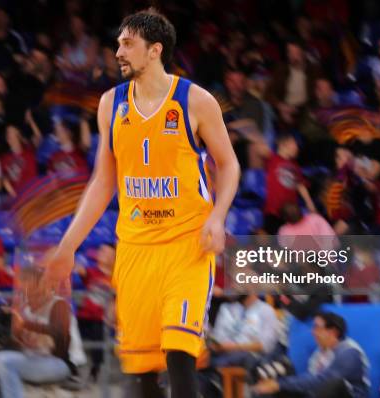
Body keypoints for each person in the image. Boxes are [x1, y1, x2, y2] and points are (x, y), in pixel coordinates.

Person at [43, 8, 240, 398]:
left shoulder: (195, 101)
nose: (118, 51)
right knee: (142, 372)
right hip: (134, 250)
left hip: (187, 245)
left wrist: (218, 217)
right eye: (118, 43)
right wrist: (68, 246)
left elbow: (229, 164)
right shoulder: (109, 105)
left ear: (155, 50)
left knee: (180, 355)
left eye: (127, 43)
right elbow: (103, 181)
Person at [0, 267, 71, 398]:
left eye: (30, 282)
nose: (26, 287)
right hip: (28, 359)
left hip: (56, 363)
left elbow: (59, 333)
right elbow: (15, 343)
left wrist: (25, 323)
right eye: (24, 283)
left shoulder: (58, 304)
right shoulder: (23, 307)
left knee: (4, 360)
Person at [254, 312, 370, 398]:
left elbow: (323, 381)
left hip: (348, 395)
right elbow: (310, 378)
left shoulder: (349, 352)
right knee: (276, 384)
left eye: (317, 328)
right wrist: (278, 384)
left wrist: (280, 384)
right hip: (320, 392)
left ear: (333, 332)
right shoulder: (320, 352)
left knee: (331, 384)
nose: (313, 332)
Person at [75, 243, 116, 382]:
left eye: (108, 253)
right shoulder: (92, 272)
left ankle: (96, 368)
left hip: (102, 320)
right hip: (83, 316)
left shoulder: (117, 278)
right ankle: (71, 367)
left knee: (98, 330)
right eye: (102, 252)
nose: (103, 254)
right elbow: (78, 269)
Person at [263, 133, 316, 234]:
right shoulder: (270, 159)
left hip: (291, 214)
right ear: (284, 144)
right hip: (273, 212)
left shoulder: (295, 165)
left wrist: (310, 204)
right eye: (294, 143)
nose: (297, 148)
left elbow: (300, 185)